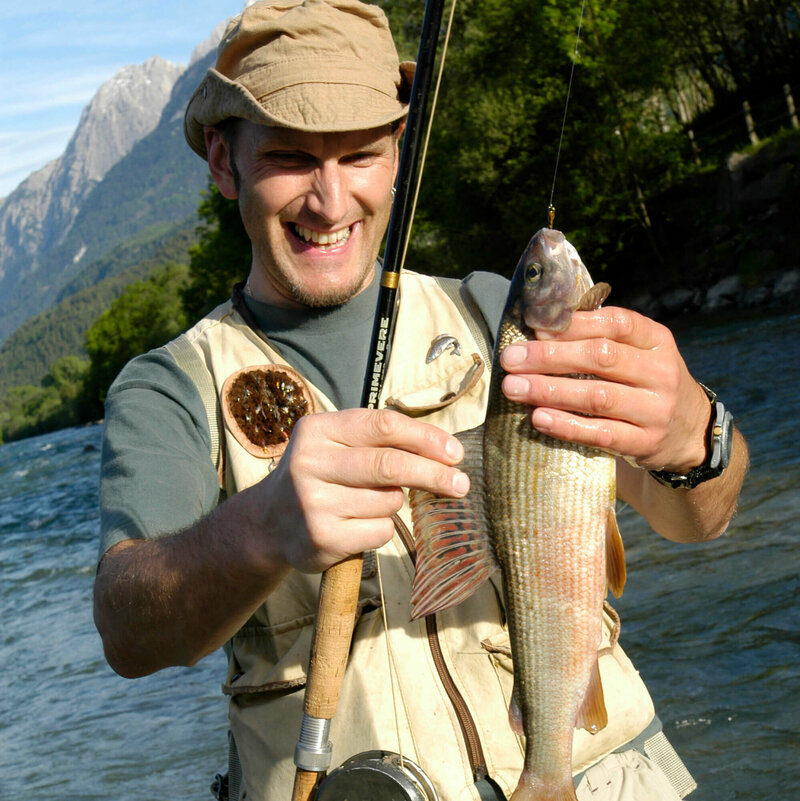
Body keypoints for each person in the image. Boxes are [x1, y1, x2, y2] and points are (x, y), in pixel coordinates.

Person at [93, 2, 749, 800]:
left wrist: (694, 435)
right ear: (223, 163)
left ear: (399, 154)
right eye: (292, 157)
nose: (330, 202)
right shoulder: (170, 385)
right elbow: (128, 630)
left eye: (361, 154)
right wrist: (260, 527)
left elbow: (700, 516)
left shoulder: (496, 315)